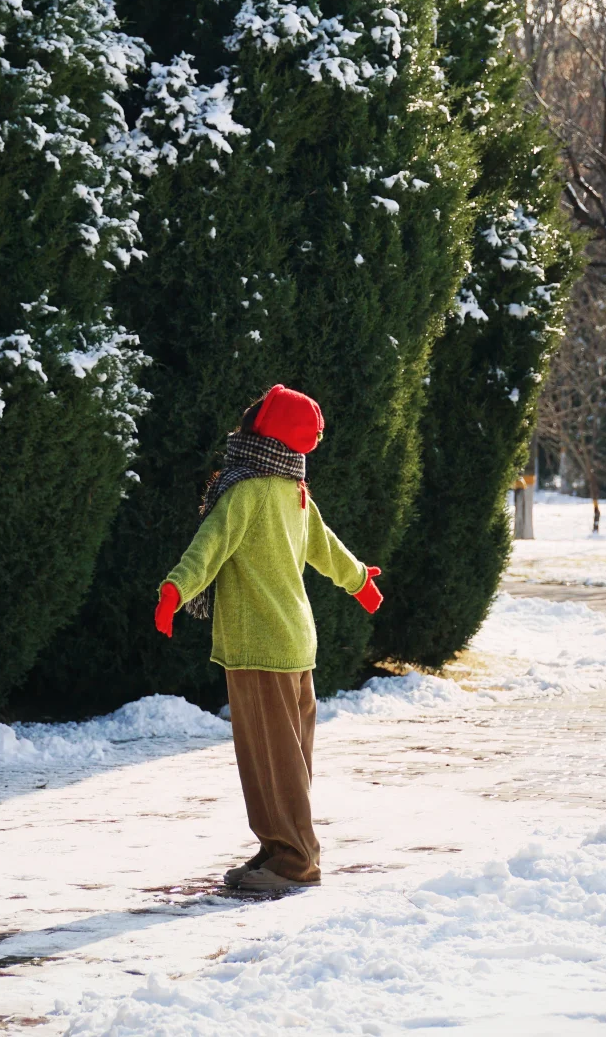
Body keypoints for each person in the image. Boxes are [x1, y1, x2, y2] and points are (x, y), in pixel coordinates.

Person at [154, 383, 383, 893]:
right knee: (287, 762)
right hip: (293, 642)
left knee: (271, 762)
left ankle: (295, 861)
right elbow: (327, 548)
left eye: (252, 416)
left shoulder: (249, 491)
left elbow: (209, 545)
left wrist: (175, 588)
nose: (244, 422)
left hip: (261, 645)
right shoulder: (293, 491)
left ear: (263, 432)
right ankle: (277, 848)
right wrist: (360, 581)